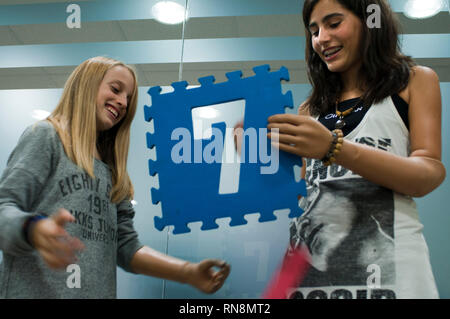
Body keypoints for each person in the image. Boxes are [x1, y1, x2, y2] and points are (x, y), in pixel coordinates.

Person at [0, 56, 230, 299]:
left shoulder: (113, 172)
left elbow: (126, 248)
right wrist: (34, 229)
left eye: (128, 98)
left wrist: (187, 272)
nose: (122, 102)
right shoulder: (46, 137)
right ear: (87, 85)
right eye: (116, 89)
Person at [266, 0, 446, 299]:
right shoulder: (309, 109)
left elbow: (427, 174)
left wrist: (334, 147)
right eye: (314, 30)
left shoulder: (415, 81)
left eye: (334, 23)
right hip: (309, 279)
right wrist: (255, 158)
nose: (321, 38)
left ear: (370, 22)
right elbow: (301, 197)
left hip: (392, 277)